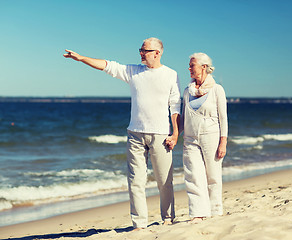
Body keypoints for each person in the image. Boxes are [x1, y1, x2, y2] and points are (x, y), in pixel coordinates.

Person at [63, 37, 181, 229]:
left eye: (145, 50)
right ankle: (139, 224)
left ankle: (168, 218)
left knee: (164, 181)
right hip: (135, 134)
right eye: (140, 49)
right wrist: (81, 58)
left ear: (157, 53)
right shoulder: (133, 71)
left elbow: (175, 107)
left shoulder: (170, 74)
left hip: (160, 134)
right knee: (135, 181)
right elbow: (107, 66)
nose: (141, 53)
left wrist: (175, 134)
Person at [181, 52, 228, 223]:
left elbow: (223, 118)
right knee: (193, 175)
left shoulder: (217, 90)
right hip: (190, 139)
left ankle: (215, 210)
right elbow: (184, 117)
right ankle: (198, 213)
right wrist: (174, 135)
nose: (189, 68)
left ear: (203, 67)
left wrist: (223, 142)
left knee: (213, 175)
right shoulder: (187, 91)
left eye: (192, 65)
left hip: (212, 137)